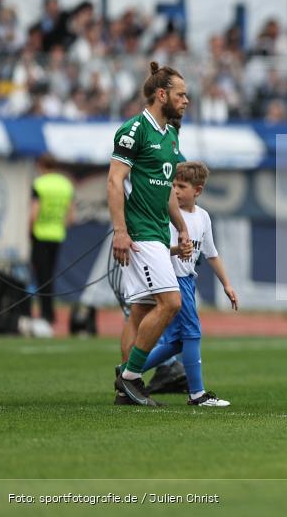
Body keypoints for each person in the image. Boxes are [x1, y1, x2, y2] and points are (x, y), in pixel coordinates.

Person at [109, 61, 191, 407]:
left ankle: (127, 387)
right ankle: (130, 377)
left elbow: (167, 190)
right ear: (162, 94)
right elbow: (115, 180)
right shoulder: (133, 130)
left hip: (158, 231)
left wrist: (182, 227)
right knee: (171, 303)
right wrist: (120, 232)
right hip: (139, 234)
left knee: (141, 309)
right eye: (181, 94)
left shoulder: (170, 134)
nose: (186, 100)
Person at [123, 161, 238, 407]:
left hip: (188, 280)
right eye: (172, 185)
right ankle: (197, 394)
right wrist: (177, 249)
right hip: (172, 281)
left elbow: (212, 254)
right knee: (192, 334)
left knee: (176, 341)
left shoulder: (203, 217)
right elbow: (157, 251)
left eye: (181, 186)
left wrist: (227, 284)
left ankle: (127, 370)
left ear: (198, 190)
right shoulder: (166, 216)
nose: (174, 190)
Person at [28, 153, 75, 337]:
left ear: (41, 165)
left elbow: (34, 212)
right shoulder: (66, 184)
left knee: (41, 277)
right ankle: (50, 314)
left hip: (40, 235)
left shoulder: (39, 184)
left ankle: (45, 315)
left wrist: (30, 231)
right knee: (50, 277)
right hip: (57, 235)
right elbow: (72, 216)